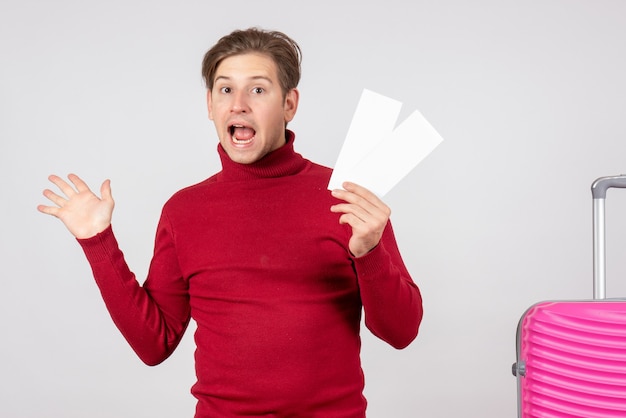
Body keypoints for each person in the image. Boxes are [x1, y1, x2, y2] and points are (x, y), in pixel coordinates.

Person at [38, 28, 423, 418]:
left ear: (289, 104)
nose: (238, 105)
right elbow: (154, 344)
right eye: (225, 90)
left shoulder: (348, 199)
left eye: (258, 90)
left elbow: (402, 332)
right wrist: (97, 241)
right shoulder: (183, 211)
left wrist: (370, 252)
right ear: (209, 104)